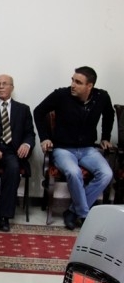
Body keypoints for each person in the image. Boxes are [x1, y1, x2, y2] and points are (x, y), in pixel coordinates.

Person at [33, 66, 114, 230]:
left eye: (78, 82)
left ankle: (72, 212)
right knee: (73, 172)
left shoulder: (101, 97)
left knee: (107, 174)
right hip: (63, 149)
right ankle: (84, 215)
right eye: (72, 80)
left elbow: (109, 114)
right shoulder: (61, 95)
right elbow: (38, 111)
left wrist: (105, 137)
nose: (73, 85)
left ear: (89, 86)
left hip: (88, 149)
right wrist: (44, 138)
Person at [0, 74, 35, 232]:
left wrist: (26, 144)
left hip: (12, 151)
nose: (1, 87)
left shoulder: (23, 109)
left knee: (13, 169)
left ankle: (4, 218)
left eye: (5, 84)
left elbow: (30, 133)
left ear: (12, 87)